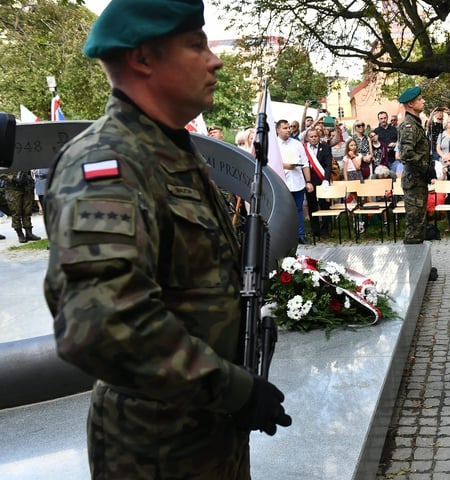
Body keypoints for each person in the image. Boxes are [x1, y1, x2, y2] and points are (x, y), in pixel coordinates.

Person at [42, 1, 291, 478]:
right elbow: (100, 324)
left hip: (206, 433)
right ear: (143, 59)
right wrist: (234, 389)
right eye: (196, 45)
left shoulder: (173, 154)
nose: (214, 60)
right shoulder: (108, 164)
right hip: (155, 450)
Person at [396, 86, 430, 244]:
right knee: (414, 223)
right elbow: (406, 153)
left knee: (419, 222)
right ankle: (413, 265)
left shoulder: (416, 124)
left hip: (418, 179)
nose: (423, 101)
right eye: (419, 99)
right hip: (414, 179)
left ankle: (419, 265)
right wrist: (425, 166)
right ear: (410, 104)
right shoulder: (409, 126)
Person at [273, 119, 312, 244]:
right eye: (284, 128)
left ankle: (300, 234)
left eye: (289, 127)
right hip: (281, 182)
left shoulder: (297, 144)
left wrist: (309, 181)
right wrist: (284, 165)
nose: (288, 130)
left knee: (298, 209)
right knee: (283, 211)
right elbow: (270, 163)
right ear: (277, 130)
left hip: (297, 181)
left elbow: (305, 163)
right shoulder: (273, 145)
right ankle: (285, 236)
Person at [303, 127, 337, 237]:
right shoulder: (304, 149)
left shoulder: (325, 148)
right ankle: (315, 230)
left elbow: (328, 165)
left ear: (319, 137)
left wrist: (326, 180)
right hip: (310, 181)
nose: (313, 138)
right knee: (312, 205)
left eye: (315, 136)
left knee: (324, 204)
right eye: (311, 137)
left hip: (322, 180)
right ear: (307, 138)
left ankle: (325, 229)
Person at [0, 169, 41, 243]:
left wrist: (29, 177)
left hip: (26, 187)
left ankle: (29, 233)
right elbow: (2, 174)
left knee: (27, 211)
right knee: (16, 211)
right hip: (13, 189)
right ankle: (20, 233)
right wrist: (13, 178)